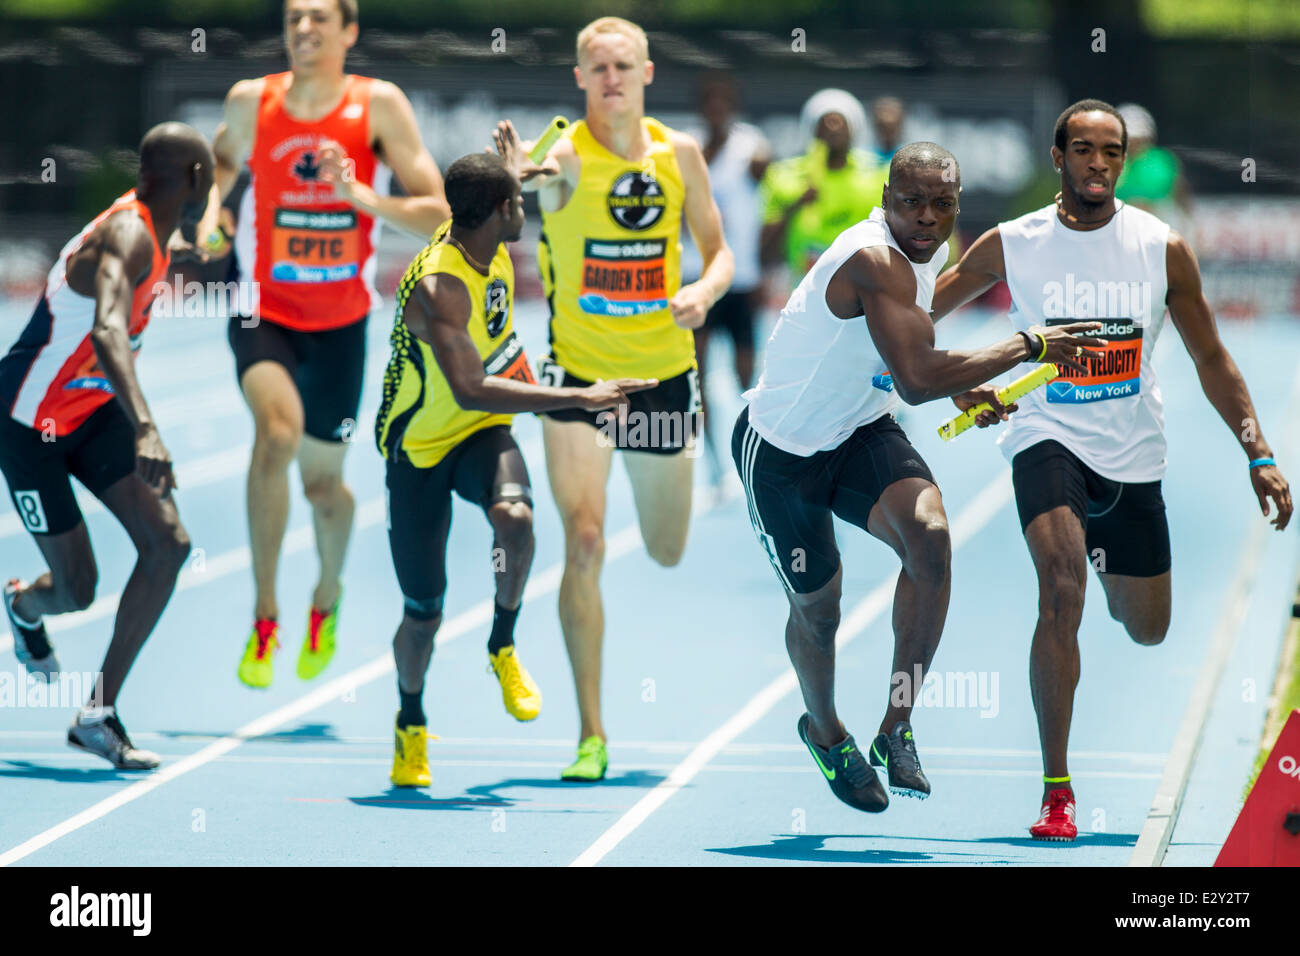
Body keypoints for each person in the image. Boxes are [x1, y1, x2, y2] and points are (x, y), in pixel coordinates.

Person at [930, 99, 1293, 841]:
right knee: (1061, 590)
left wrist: (1258, 451)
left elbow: (1212, 359)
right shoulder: (1013, 242)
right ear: (1058, 157)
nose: (1099, 162)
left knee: (1147, 628)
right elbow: (916, 316)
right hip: (1045, 436)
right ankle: (1057, 791)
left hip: (1131, 455)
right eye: (1084, 150)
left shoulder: (1161, 247)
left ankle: (1101, 551)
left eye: (1112, 152)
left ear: (1125, 162)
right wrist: (953, 378)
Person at [735, 142, 1104, 813]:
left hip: (860, 432)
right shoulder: (875, 259)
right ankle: (825, 732)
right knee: (820, 612)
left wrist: (964, 390)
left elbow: (911, 348)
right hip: (783, 450)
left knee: (931, 540)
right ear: (885, 202)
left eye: (942, 203)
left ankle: (896, 725)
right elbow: (915, 376)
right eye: (912, 202)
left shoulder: (925, 254)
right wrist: (1031, 344)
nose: (928, 217)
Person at [378, 147, 653, 787]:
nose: (524, 208)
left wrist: (516, 167)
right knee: (423, 612)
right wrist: (580, 395)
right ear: (500, 211)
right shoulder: (441, 287)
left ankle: (502, 641)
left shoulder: (482, 229)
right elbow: (471, 387)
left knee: (516, 518)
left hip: (480, 434)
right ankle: (410, 721)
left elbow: (493, 189)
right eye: (519, 200)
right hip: (419, 450)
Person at [200, 0, 451, 689]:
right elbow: (219, 173)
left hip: (339, 322)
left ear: (349, 32)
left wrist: (360, 196)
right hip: (263, 309)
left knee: (323, 486)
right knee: (274, 435)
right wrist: (211, 222)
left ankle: (325, 596)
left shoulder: (378, 106)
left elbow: (437, 209)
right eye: (293, 19)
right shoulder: (253, 101)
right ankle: (264, 613)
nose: (304, 29)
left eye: (319, 19)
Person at [519, 16, 734, 781]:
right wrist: (516, 175)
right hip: (577, 379)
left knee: (668, 548)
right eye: (597, 67)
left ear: (647, 71)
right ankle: (592, 733)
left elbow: (719, 251)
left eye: (623, 65)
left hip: (661, 380)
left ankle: (595, 728)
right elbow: (517, 184)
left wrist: (704, 291)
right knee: (582, 540)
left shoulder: (680, 154)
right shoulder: (561, 157)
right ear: (579, 78)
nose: (610, 77)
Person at [0, 123, 213, 769]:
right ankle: (23, 604)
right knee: (76, 590)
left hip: (91, 413)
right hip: (28, 421)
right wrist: (147, 424)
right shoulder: (128, 233)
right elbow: (108, 331)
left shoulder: (157, 227)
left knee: (168, 545)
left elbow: (157, 261)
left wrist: (193, 252)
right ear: (196, 181)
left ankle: (98, 713)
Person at [681, 72, 771, 490]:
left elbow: (768, 173)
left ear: (731, 106)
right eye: (709, 102)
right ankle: (714, 463)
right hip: (696, 279)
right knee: (697, 376)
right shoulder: (686, 147)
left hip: (741, 278)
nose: (716, 109)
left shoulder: (750, 146)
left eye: (723, 102)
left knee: (745, 376)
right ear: (702, 107)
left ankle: (750, 453)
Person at [759, 89, 887, 280]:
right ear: (810, 128)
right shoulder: (783, 175)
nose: (832, 126)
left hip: (862, 290)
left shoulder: (877, 175)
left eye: (840, 120)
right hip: (802, 288)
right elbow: (765, 252)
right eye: (825, 120)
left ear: (854, 128)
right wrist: (796, 205)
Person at [1114, 103, 1191, 220]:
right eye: (1130, 140)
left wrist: (1190, 221)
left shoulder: (1162, 161)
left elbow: (1180, 193)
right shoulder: (1108, 163)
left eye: (1139, 139)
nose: (1134, 144)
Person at [870, 96, 906, 164]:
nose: (887, 133)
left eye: (892, 128)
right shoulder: (865, 158)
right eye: (882, 127)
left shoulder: (908, 157)